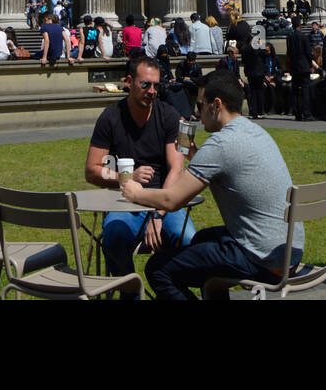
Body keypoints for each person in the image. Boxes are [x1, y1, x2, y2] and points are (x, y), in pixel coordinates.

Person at [121, 69, 304, 299]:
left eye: (199, 105)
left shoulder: (221, 144)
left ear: (216, 105)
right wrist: (196, 154)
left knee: (158, 269)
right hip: (287, 251)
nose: (197, 113)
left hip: (263, 259)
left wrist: (135, 192)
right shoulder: (254, 131)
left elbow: (172, 200)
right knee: (201, 240)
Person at [84, 55, 195, 292]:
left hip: (163, 198)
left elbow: (177, 167)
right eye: (146, 84)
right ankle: (130, 291)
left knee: (186, 238)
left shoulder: (168, 115)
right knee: (114, 235)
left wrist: (158, 214)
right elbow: (91, 171)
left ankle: (172, 291)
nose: (152, 91)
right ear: (129, 82)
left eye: (157, 85)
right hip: (124, 201)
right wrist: (126, 178)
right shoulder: (110, 117)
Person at [287, 21, 314, 121]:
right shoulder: (304, 37)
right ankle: (306, 113)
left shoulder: (290, 37)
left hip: (294, 66)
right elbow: (308, 52)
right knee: (305, 90)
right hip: (304, 66)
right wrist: (310, 64)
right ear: (300, 26)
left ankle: (297, 113)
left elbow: (289, 52)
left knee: (295, 91)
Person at [241, 35, 268, 118]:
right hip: (259, 73)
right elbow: (265, 54)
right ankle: (260, 111)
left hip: (250, 73)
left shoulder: (245, 49)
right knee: (259, 92)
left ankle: (253, 112)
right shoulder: (258, 49)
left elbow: (243, 61)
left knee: (252, 92)